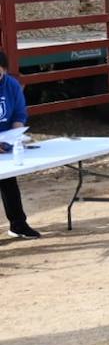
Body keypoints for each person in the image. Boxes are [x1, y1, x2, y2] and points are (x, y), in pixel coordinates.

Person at [0, 50, 40, 239]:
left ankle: (18, 225)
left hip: (4, 142)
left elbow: (18, 114)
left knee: (8, 181)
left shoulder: (11, 85)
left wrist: (14, 136)